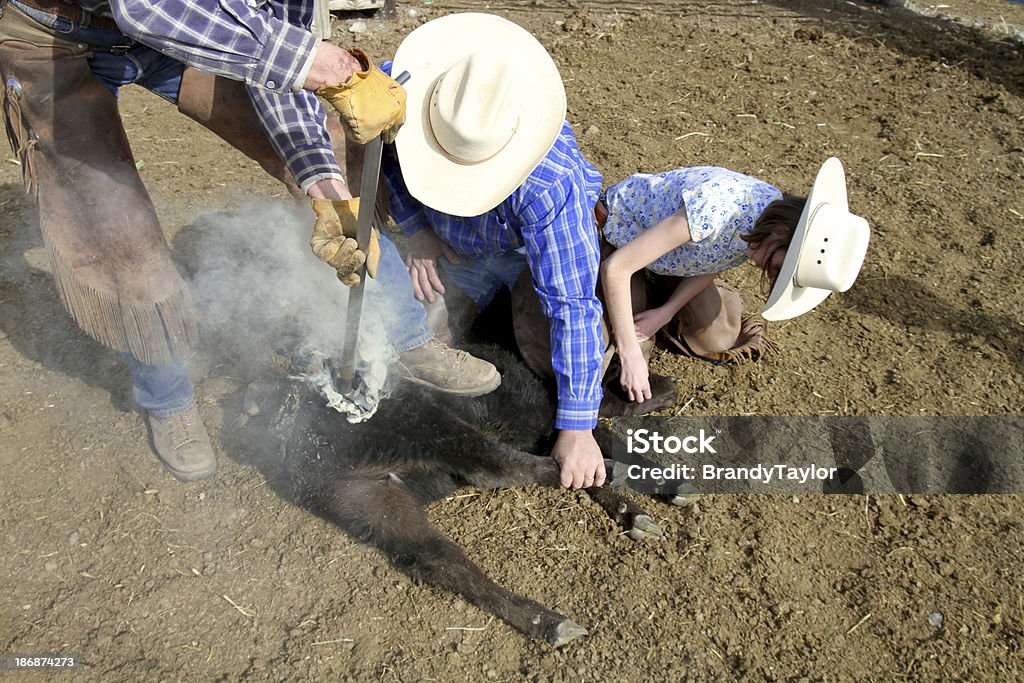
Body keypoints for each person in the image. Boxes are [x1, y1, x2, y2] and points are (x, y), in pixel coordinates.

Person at [0, 0, 498, 483]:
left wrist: (320, 180)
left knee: (333, 153)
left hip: (190, 28)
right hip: (56, 36)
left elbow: (282, 74)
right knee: (120, 240)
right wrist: (307, 60)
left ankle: (406, 336)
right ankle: (167, 398)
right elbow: (144, 9)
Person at [380, 13, 607, 490]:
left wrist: (579, 425)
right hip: (450, 243)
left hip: (527, 251)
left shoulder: (552, 181)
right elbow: (384, 158)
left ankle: (596, 399)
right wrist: (418, 230)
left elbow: (571, 302)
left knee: (541, 344)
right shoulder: (392, 92)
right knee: (418, 337)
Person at [599, 158, 870, 404]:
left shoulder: (765, 224)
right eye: (776, 264)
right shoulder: (717, 210)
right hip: (620, 240)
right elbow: (616, 269)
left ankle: (655, 295)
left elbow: (714, 263)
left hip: (674, 258)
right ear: (782, 231)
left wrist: (664, 312)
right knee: (616, 337)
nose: (761, 265)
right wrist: (631, 354)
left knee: (718, 338)